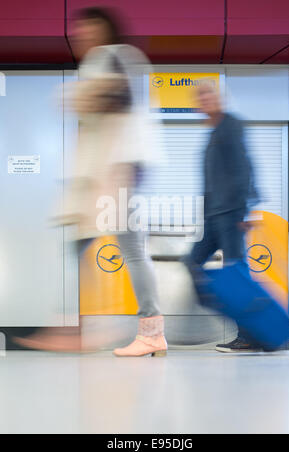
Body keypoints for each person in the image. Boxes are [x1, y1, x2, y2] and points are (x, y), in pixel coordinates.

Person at [14, 7, 167, 357]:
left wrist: (73, 97)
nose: (80, 35)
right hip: (108, 171)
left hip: (118, 169)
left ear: (105, 29)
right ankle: (83, 327)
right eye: (78, 30)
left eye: (88, 28)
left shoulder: (110, 56)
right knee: (82, 245)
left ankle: (146, 331)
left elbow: (117, 97)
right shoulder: (114, 59)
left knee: (129, 249)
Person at [184, 82, 260, 353]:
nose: (205, 100)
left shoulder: (231, 125)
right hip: (213, 217)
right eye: (200, 96)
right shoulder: (213, 132)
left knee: (237, 273)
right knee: (191, 262)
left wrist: (246, 209)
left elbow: (245, 168)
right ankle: (234, 317)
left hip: (230, 215)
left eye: (209, 94)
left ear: (219, 99)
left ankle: (251, 334)